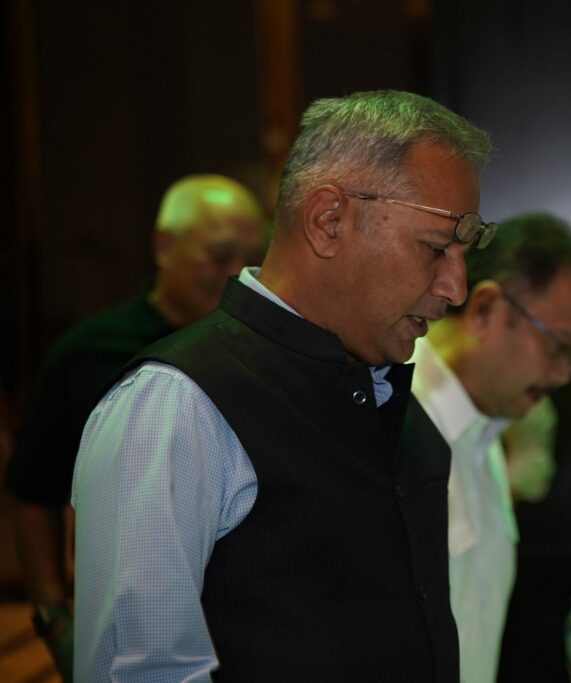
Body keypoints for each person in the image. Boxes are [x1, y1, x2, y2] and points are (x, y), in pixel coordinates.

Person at [70, 91, 494, 682]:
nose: (455, 286)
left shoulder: (387, 392)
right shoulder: (175, 406)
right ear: (328, 221)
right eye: (436, 247)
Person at [5, 173, 266, 681]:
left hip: (252, 633)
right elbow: (35, 496)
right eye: (220, 255)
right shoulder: (87, 354)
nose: (237, 273)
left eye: (252, 257)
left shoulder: (261, 353)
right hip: (135, 638)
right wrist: (55, 620)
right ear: (164, 247)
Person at [409, 212, 571, 682]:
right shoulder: (389, 416)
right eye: (558, 346)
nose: (563, 375)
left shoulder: (488, 437)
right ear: (485, 310)